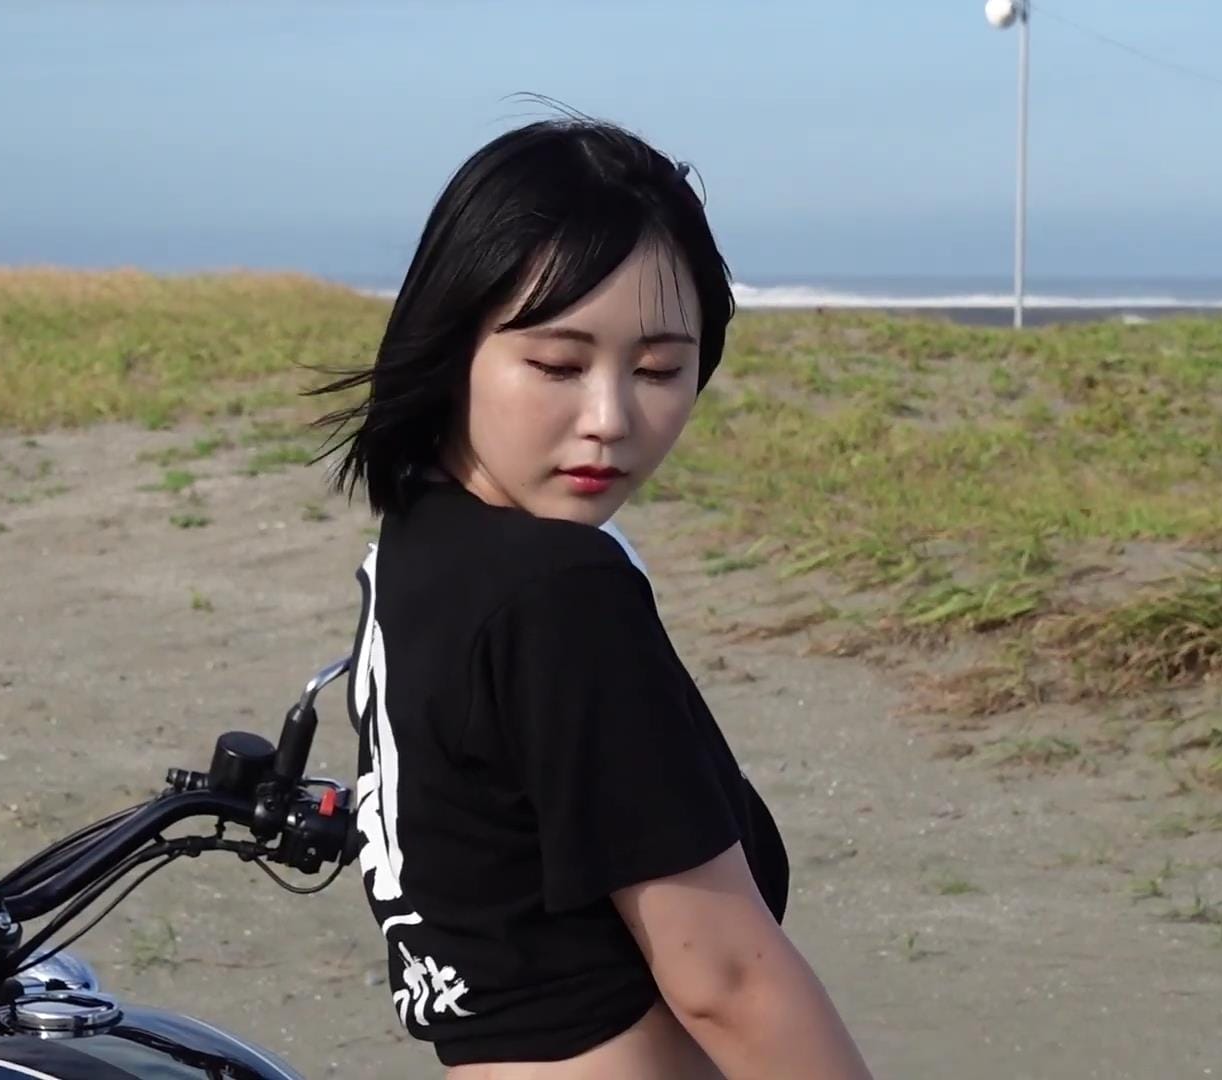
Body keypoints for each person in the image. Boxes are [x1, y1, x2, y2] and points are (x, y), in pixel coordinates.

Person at [311, 114, 873, 1079]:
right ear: (453, 343)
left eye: (659, 369)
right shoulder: (558, 594)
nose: (610, 419)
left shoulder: (418, 545)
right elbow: (725, 980)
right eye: (558, 365)